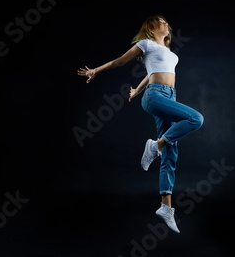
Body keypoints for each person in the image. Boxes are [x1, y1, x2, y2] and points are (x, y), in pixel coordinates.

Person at [77, 15, 203, 233]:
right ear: (152, 28)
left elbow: (152, 72)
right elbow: (120, 61)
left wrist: (136, 89)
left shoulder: (169, 52)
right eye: (161, 21)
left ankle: (166, 207)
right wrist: (95, 70)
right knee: (195, 119)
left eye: (166, 22)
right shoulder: (146, 44)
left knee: (171, 153)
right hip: (156, 97)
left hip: (168, 97)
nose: (166, 24)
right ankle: (155, 145)